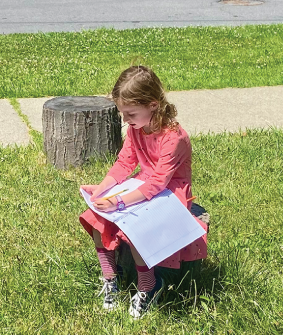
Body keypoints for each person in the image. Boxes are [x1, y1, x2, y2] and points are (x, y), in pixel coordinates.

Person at [80, 65, 207, 319]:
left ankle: (149, 286)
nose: (126, 120)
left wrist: (117, 201)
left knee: (134, 230)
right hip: (141, 187)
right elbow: (125, 163)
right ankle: (110, 278)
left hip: (170, 193)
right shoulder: (136, 129)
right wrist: (103, 189)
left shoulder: (174, 137)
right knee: (95, 219)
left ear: (152, 105)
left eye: (130, 113)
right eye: (123, 113)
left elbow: (159, 182)